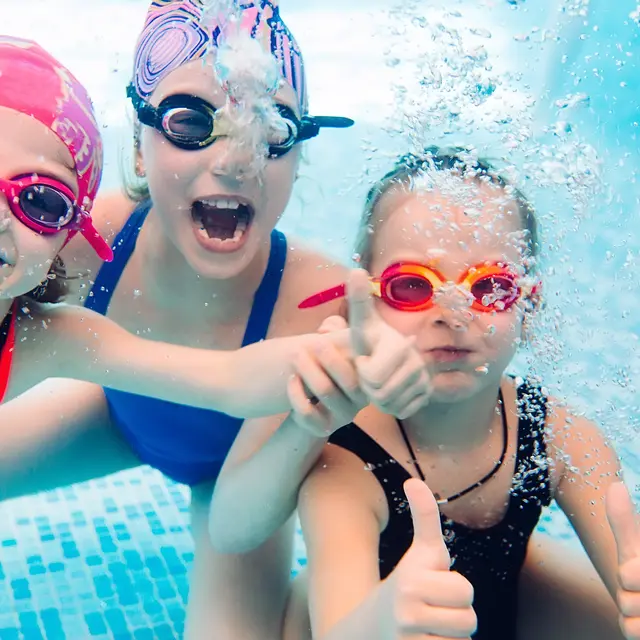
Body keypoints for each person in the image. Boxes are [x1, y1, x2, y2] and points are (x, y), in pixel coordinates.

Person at [0, 3, 431, 638]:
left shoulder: (324, 297)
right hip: (118, 418)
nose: (236, 161)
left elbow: (413, 356)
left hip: (235, 481)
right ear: (140, 152)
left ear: (297, 159)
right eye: (189, 122)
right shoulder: (87, 238)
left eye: (272, 128)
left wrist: (397, 363)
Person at [210, 148, 640, 639]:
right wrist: (385, 613)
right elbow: (338, 629)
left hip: (501, 603)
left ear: (530, 308)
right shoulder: (349, 462)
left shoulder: (560, 436)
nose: (453, 314)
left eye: (492, 287)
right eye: (412, 286)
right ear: (366, 299)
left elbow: (628, 558)